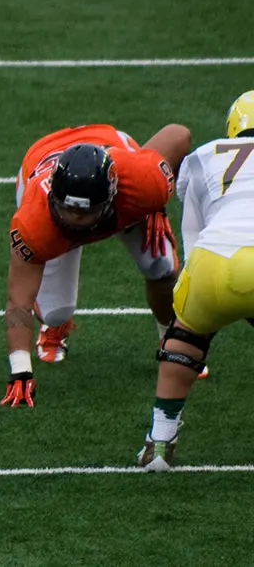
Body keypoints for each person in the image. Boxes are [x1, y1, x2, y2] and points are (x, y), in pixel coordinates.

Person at [1, 123, 190, 406]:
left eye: (84, 212)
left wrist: (155, 204)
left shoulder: (141, 181)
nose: (75, 220)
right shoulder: (33, 221)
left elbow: (178, 134)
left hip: (114, 149)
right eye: (67, 209)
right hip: (39, 158)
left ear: (112, 196)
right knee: (54, 311)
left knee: (161, 265)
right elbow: (18, 300)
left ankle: (170, 342)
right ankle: (55, 328)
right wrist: (20, 370)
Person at [137, 92, 254, 470]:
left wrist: (193, 299)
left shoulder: (205, 156)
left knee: (184, 340)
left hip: (212, 260)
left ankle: (159, 443)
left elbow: (194, 231)